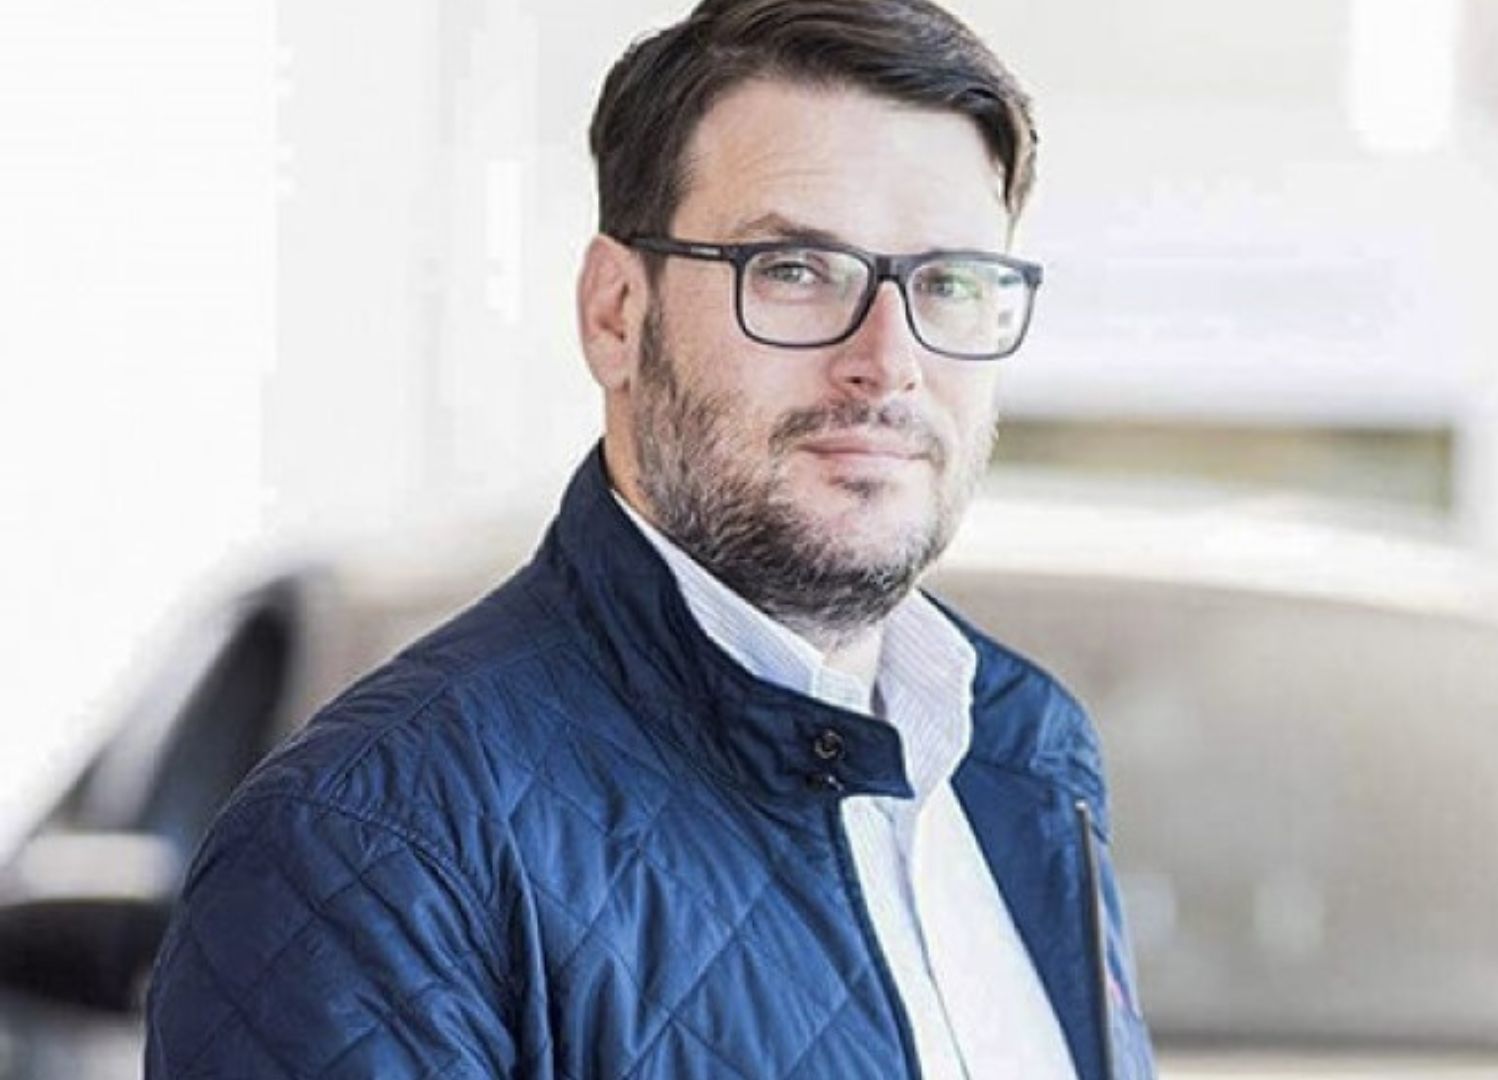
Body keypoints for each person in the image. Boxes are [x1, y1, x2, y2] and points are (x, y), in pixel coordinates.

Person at [144, 0, 1156, 1077]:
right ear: (616, 313)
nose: (888, 362)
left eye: (950, 282)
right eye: (796, 269)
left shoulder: (1022, 759)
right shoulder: (374, 852)